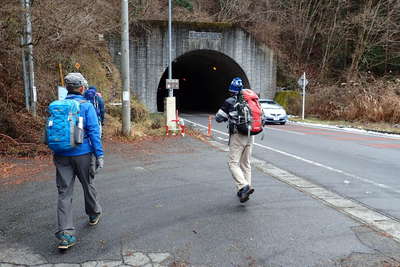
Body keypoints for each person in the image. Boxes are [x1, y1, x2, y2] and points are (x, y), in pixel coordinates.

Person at [53, 73, 104, 250]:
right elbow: (94, 132)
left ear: (67, 88)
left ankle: (66, 235)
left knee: (64, 193)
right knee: (88, 184)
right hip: (83, 154)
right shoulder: (87, 106)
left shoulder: (58, 106)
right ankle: (93, 214)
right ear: (82, 88)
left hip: (61, 154)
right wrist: (99, 155)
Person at [215, 77, 259, 203]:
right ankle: (246, 189)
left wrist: (227, 116)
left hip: (238, 135)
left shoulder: (230, 101)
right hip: (251, 134)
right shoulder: (249, 100)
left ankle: (243, 186)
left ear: (231, 90)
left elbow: (218, 117)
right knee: (246, 163)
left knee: (232, 162)